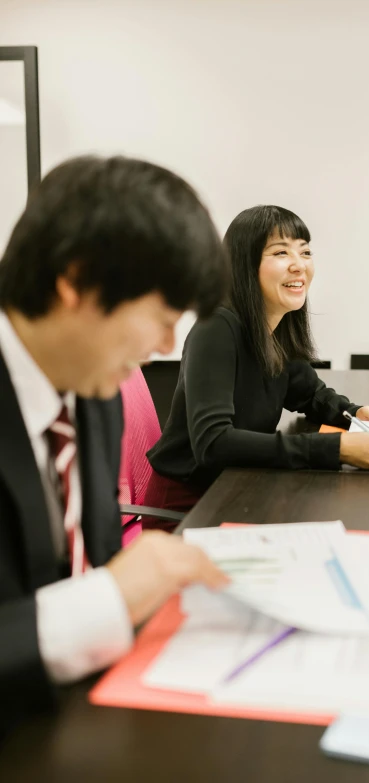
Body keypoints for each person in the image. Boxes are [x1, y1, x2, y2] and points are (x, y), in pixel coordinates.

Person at [0, 155, 230, 735]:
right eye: (159, 316)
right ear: (75, 281)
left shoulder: (91, 389)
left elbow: (92, 562)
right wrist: (109, 600)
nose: (164, 345)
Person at [145, 205, 369, 521]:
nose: (299, 266)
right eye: (281, 253)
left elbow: (310, 394)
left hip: (238, 490)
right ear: (244, 265)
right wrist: (334, 449)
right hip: (190, 508)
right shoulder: (217, 327)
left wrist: (354, 413)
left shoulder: (275, 326)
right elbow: (212, 444)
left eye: (305, 252)